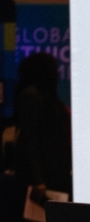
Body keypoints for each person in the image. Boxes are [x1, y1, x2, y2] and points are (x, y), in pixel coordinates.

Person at [14, 52, 72, 206]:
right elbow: (29, 141)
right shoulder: (32, 96)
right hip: (43, 176)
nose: (57, 74)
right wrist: (38, 181)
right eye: (54, 69)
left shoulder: (46, 95)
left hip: (54, 173)